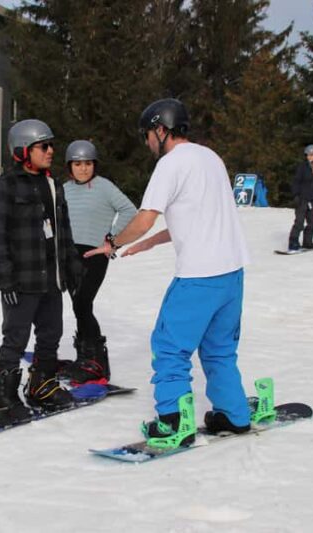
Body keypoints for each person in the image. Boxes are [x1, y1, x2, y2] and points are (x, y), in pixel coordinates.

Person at [85, 98, 251, 449]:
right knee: (219, 350)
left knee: (169, 347)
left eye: (147, 134)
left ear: (161, 129)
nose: (147, 142)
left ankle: (174, 422)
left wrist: (112, 242)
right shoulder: (210, 158)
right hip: (232, 275)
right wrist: (151, 243)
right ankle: (233, 414)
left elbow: (145, 217)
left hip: (199, 277)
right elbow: (198, 218)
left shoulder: (171, 164)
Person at [0, 119, 83, 428]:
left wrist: (72, 266)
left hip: (51, 278)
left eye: (51, 145)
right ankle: (4, 398)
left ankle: (41, 385)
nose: (50, 151)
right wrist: (4, 276)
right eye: (43, 146)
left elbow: (64, 231)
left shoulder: (53, 184)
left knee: (51, 334)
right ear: (23, 151)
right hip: (22, 280)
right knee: (15, 338)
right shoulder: (4, 187)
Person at [61, 140, 136, 385]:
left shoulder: (104, 187)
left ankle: (98, 361)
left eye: (88, 163)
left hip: (95, 255)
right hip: (70, 256)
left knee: (83, 303)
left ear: (95, 165)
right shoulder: (63, 190)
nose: (83, 168)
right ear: (69, 166)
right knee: (78, 307)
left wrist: (112, 240)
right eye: (78, 164)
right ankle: (85, 359)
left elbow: (129, 210)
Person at [288, 144, 313, 251]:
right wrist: (295, 195)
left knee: (312, 223)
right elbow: (296, 181)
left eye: (311, 155)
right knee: (299, 222)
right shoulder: (303, 167)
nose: (309, 157)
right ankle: (293, 242)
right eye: (307, 155)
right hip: (302, 199)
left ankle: (307, 242)